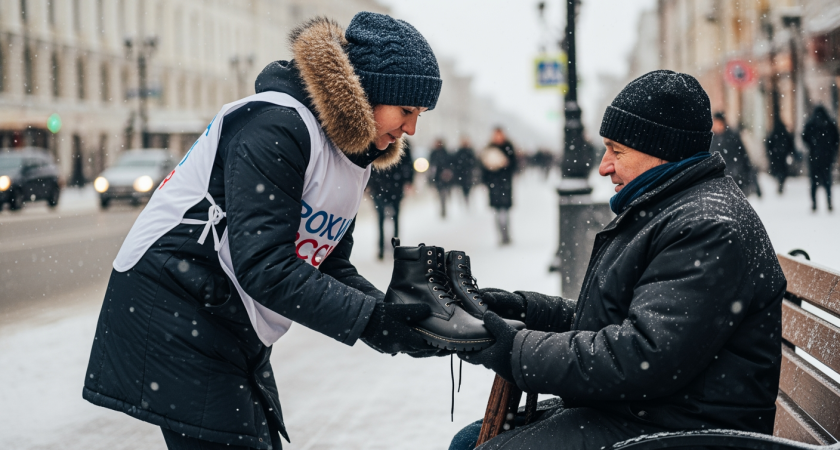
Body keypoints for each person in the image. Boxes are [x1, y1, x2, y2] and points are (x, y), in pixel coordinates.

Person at [83, 13, 446, 450]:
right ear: (368, 90)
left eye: (419, 114)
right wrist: (373, 322)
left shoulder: (351, 154)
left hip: (225, 316)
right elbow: (264, 265)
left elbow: (326, 261)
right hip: (174, 305)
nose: (411, 128)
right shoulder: (278, 126)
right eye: (406, 110)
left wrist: (395, 317)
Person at [452, 70, 785, 450]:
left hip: (689, 432)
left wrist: (515, 349)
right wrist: (523, 310)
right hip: (653, 412)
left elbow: (641, 356)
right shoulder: (671, 207)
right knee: (469, 440)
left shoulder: (706, 227)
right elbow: (619, 321)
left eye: (617, 150)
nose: (604, 166)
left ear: (662, 149)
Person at [367, 139, 415, 259]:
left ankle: (392, 248)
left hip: (389, 186)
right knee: (385, 217)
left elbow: (408, 164)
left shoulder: (402, 143)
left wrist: (409, 180)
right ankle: (385, 248)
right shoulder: (376, 139)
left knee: (389, 217)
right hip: (385, 186)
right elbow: (369, 164)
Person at [480, 127, 518, 245]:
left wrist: (505, 164)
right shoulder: (489, 148)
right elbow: (483, 168)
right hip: (494, 184)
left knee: (505, 212)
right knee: (497, 212)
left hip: (505, 183)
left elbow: (514, 165)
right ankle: (501, 236)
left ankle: (506, 235)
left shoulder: (508, 147)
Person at [711, 111, 761, 197]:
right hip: (720, 178)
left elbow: (743, 155)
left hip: (735, 177)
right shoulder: (713, 138)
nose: (716, 126)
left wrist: (740, 172)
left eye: (717, 123)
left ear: (722, 122)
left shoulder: (732, 136)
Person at [802, 105, 840, 211]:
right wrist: (832, 151)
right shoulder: (829, 123)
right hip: (827, 158)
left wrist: (812, 146)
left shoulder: (811, 123)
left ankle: (814, 204)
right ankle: (829, 203)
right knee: (827, 181)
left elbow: (804, 137)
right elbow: (836, 139)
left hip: (814, 157)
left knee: (814, 182)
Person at [765, 118, 796, 194]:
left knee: (778, 170)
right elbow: (790, 143)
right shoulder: (784, 133)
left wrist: (770, 153)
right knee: (782, 170)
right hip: (783, 155)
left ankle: (780, 182)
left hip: (776, 155)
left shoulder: (774, 133)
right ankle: (781, 182)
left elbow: (769, 144)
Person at [428, 138, 454, 218]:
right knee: (440, 193)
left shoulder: (445, 153)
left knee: (443, 193)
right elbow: (431, 165)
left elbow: (449, 164)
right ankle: (442, 207)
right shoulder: (433, 153)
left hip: (444, 177)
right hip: (437, 177)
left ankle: (443, 208)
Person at [453, 137, 477, 205]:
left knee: (467, 188)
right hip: (461, 174)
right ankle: (465, 200)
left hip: (468, 174)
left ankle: (467, 199)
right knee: (463, 188)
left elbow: (474, 162)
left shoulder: (470, 151)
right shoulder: (459, 152)